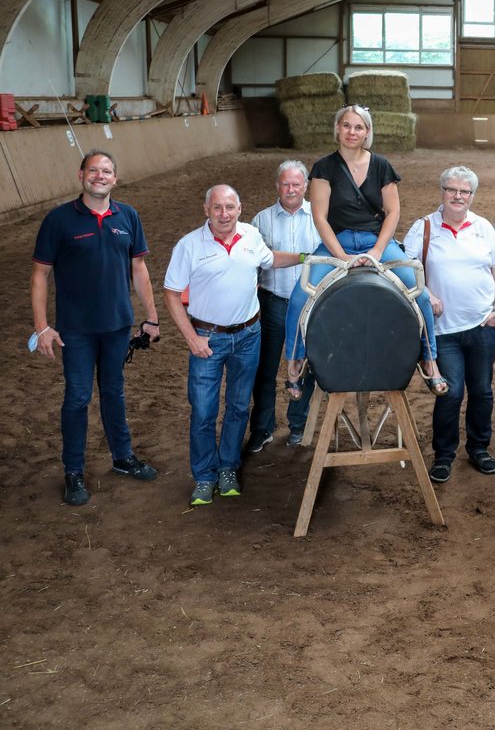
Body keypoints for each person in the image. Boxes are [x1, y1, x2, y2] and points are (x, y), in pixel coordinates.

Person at [282, 105, 443, 398]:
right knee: (299, 297)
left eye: (358, 127)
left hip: (376, 240)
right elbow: (320, 217)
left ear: (367, 132)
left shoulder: (382, 165)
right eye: (346, 126)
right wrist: (341, 257)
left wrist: (379, 251)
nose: (351, 132)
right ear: (337, 129)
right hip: (337, 241)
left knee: (418, 292)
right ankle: (295, 362)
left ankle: (429, 358)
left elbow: (393, 212)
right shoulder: (323, 167)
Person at [32, 149, 161, 506]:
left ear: (115, 179)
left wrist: (150, 316)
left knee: (114, 392)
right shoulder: (59, 220)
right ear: (81, 175)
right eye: (93, 170)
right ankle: (73, 470)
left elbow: (139, 269)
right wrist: (42, 327)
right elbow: (40, 275)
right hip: (75, 330)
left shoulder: (128, 216)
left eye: (106, 171)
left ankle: (122, 457)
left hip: (117, 326)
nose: (100, 176)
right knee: (77, 397)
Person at [164, 185, 302, 506]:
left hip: (248, 335)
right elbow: (171, 294)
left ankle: (228, 466)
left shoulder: (252, 236)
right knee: (203, 411)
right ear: (206, 209)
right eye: (217, 208)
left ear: (240, 209)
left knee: (239, 406)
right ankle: (204, 475)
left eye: (229, 207)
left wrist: (307, 257)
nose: (223, 214)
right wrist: (191, 337)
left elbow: (271, 260)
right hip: (207, 338)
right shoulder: (189, 245)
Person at [406, 166, 495, 483]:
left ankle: (479, 448)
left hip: (482, 326)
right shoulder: (423, 228)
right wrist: (427, 295)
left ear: (472, 196)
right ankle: (444, 454)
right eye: (452, 189)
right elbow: (406, 272)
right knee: (449, 393)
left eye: (464, 191)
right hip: (442, 331)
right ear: (442, 191)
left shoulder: (483, 228)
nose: (458, 196)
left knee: (482, 392)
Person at [244, 160, 321, 453]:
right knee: (264, 367)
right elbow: (254, 261)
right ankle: (262, 429)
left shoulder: (320, 216)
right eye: (285, 184)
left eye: (296, 184)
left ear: (306, 186)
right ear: (277, 186)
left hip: (310, 305)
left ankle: (298, 426)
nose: (291, 189)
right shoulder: (260, 220)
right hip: (273, 302)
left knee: (304, 366)